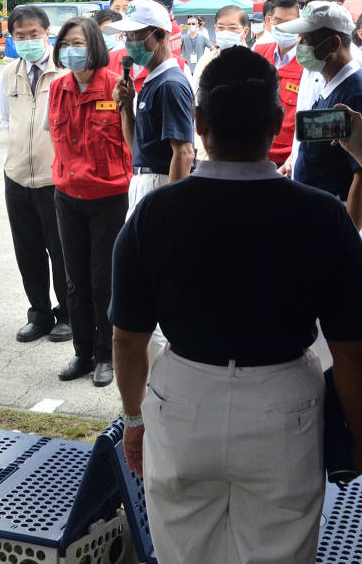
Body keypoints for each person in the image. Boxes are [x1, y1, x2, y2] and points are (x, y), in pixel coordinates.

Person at [111, 45, 362, 564]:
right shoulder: (322, 216)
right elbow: (352, 351)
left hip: (182, 398)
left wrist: (134, 422)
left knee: (183, 551)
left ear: (199, 121)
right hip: (284, 402)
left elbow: (127, 339)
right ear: (277, 122)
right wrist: (358, 437)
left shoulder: (155, 212)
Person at [47, 16, 129, 386]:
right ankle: (82, 353)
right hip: (67, 194)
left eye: (78, 43)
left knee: (102, 280)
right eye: (65, 44)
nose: (71, 50)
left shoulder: (116, 88)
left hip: (108, 196)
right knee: (74, 279)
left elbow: (131, 141)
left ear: (94, 45)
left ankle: (105, 355)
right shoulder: (58, 87)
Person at [0, 5, 73, 346]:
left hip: (54, 178)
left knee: (61, 252)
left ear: (47, 33)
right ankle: (39, 313)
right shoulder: (9, 72)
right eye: (20, 36)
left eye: (33, 35)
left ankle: (67, 314)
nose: (27, 41)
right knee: (27, 251)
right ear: (12, 38)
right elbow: (6, 121)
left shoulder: (64, 72)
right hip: (16, 176)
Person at [275, 1, 362, 229]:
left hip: (333, 219)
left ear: (333, 44)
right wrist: (296, 162)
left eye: (306, 40)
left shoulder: (354, 94)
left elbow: (360, 176)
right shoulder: (329, 84)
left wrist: (348, 238)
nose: (299, 45)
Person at [108, 0, 195, 216]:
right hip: (145, 181)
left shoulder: (169, 85)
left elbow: (184, 153)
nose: (129, 42)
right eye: (126, 36)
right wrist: (127, 106)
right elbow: (138, 148)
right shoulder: (153, 82)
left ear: (160, 35)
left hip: (160, 184)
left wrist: (171, 211)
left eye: (136, 34)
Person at [282, 0, 362, 177]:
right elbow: (318, 136)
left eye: (312, 4)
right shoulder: (319, 66)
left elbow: (357, 170)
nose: (304, 10)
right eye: (301, 5)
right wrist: (296, 159)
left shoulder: (353, 88)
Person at [253, 0, 303, 167]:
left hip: (291, 160)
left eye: (290, 23)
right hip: (257, 153)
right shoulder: (259, 53)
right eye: (278, 21)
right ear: (269, 21)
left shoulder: (311, 63)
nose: (282, 27)